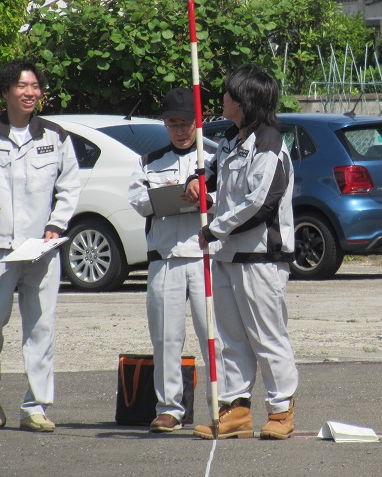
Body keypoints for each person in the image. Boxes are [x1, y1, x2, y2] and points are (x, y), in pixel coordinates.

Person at [0, 60, 80, 432]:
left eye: (36, 86)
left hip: (41, 249)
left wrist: (56, 225)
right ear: (5, 91)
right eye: (22, 86)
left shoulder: (55, 136)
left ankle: (35, 406)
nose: (30, 93)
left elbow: (69, 187)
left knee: (41, 327)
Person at [185, 64, 298, 440]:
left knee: (268, 336)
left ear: (245, 101)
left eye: (229, 93)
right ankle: (236, 410)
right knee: (231, 337)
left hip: (262, 257)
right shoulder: (232, 140)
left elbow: (260, 203)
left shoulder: (270, 144)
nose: (223, 99)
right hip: (227, 256)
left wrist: (213, 228)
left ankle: (281, 411)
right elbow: (212, 178)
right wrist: (195, 184)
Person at [127, 87, 211, 433]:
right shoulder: (149, 161)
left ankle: (225, 404)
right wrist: (166, 197)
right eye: (172, 123)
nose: (179, 130)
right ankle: (169, 407)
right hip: (165, 258)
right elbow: (135, 198)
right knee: (165, 337)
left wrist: (203, 194)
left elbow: (230, 196)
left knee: (214, 336)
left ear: (197, 122)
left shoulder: (215, 157)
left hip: (205, 256)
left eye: (185, 123)